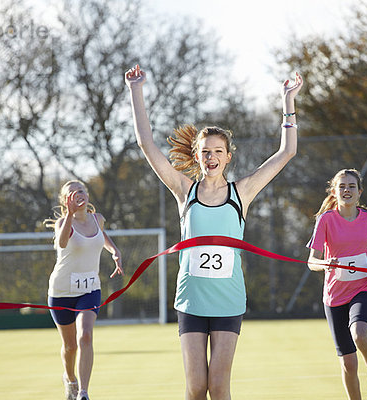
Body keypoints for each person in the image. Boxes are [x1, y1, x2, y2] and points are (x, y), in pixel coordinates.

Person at [125, 64, 302, 400]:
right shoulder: (184, 190)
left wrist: (287, 102)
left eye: (218, 151)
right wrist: (136, 90)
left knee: (219, 388)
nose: (211, 157)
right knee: (195, 387)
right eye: (205, 151)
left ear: (228, 157)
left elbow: (287, 152)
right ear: (197, 156)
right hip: (191, 300)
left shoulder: (242, 193)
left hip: (228, 301)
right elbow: (147, 145)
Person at [306, 168, 367, 400]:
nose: (346, 190)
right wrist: (325, 264)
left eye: (351, 186)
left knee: (360, 334)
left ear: (359, 192)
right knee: (349, 363)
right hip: (334, 297)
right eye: (342, 186)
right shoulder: (325, 220)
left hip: (363, 288)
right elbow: (311, 261)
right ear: (334, 191)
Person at [46, 180, 123, 400]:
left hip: (90, 289)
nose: (77, 194)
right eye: (71, 193)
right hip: (61, 292)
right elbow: (61, 243)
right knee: (70, 346)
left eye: (80, 190)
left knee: (86, 336)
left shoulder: (98, 220)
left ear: (87, 195)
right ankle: (70, 379)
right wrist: (70, 215)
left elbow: (102, 237)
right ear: (65, 201)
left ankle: (83, 392)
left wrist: (114, 251)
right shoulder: (63, 223)